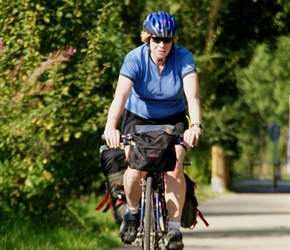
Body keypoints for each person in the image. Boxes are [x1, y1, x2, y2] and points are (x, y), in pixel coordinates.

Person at [103, 11, 202, 250]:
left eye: (167, 40)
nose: (162, 45)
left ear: (173, 41)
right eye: (156, 39)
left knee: (175, 164)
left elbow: (193, 97)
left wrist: (195, 126)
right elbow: (121, 97)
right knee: (135, 166)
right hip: (137, 117)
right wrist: (111, 126)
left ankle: (174, 230)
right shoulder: (134, 59)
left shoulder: (184, 58)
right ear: (147, 38)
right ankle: (132, 213)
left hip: (173, 117)